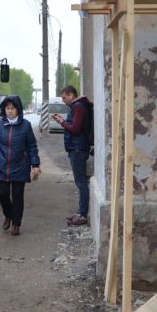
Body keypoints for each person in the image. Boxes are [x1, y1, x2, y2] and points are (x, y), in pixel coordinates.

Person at [0, 95, 40, 236]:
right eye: (7, 108)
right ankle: (8, 215)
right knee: (2, 194)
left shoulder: (26, 125)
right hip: (1, 165)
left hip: (20, 166)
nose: (10, 111)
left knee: (17, 196)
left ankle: (16, 224)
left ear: (18, 110)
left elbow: (32, 146)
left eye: (12, 108)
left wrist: (35, 164)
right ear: (4, 110)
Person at [51, 85, 92, 227]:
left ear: (71, 95)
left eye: (64, 97)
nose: (63, 101)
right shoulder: (77, 106)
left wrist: (62, 122)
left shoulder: (79, 107)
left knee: (81, 183)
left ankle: (82, 215)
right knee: (80, 182)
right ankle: (80, 212)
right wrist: (63, 121)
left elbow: (75, 128)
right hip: (77, 147)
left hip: (78, 148)